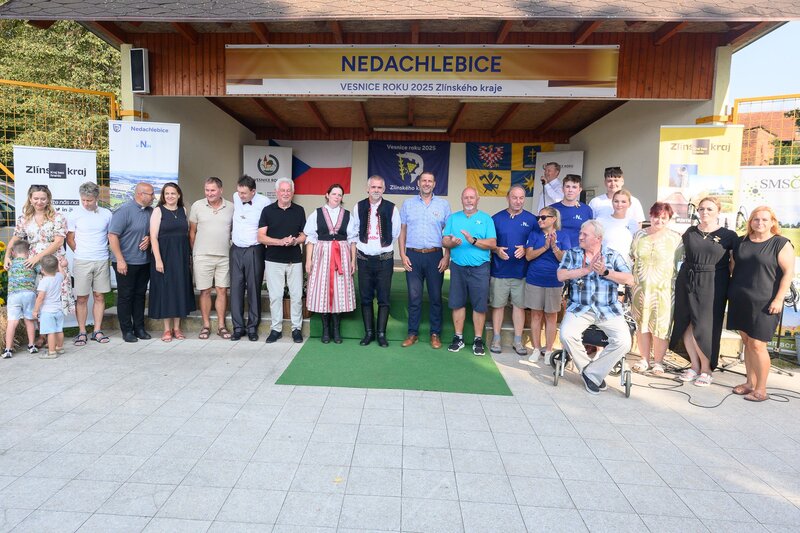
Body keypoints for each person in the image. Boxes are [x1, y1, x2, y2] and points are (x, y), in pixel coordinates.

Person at [557, 220, 633, 394]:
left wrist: (606, 272)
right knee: (566, 335)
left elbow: (630, 279)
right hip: (580, 307)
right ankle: (590, 372)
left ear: (598, 238)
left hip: (608, 309)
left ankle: (592, 373)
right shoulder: (572, 254)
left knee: (624, 342)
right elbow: (560, 275)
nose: (580, 237)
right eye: (580, 233)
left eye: (585, 234)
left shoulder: (612, 255)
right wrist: (586, 270)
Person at [727, 207, 795, 402]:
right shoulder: (741, 242)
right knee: (747, 342)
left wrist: (779, 299)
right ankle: (749, 383)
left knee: (758, 344)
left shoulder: (780, 243)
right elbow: (733, 267)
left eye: (765, 219)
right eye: (756, 219)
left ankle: (761, 389)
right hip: (740, 299)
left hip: (766, 302)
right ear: (750, 222)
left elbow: (788, 273)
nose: (760, 223)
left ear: (773, 222)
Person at [669, 196, 738, 385]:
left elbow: (734, 264)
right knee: (686, 323)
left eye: (709, 209)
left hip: (714, 283)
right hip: (687, 280)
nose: (704, 212)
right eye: (701, 209)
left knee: (705, 326)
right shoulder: (690, 232)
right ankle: (694, 366)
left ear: (718, 212)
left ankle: (706, 369)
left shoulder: (729, 235)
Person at [4, 184, 74, 332]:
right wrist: (7, 256)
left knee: (54, 296)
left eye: (43, 198)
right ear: (30, 199)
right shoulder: (24, 218)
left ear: (48, 199)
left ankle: (55, 333)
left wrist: (37, 258)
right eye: (36, 198)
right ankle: (42, 334)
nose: (39, 202)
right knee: (38, 296)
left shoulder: (58, 217)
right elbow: (15, 238)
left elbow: (58, 242)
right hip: (33, 265)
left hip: (53, 262)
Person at [398, 172, 451, 349]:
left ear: (434, 184)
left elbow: (448, 233)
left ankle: (435, 334)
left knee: (435, 297)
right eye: (423, 181)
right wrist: (403, 254)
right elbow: (402, 231)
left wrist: (446, 256)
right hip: (413, 255)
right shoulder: (408, 204)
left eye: (430, 181)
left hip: (435, 255)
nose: (427, 184)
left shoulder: (443, 205)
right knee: (414, 297)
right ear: (418, 183)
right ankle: (412, 333)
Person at [442, 187, 497, 356]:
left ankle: (478, 339)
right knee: (457, 303)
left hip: (480, 268)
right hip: (458, 267)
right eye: (466, 197)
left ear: (477, 200)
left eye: (472, 197)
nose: (469, 200)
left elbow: (492, 243)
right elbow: (444, 241)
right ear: (461, 199)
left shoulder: (486, 219)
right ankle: (458, 337)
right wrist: (452, 243)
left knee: (479, 305)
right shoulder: (453, 218)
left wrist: (472, 240)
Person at [630, 202, 683, 375]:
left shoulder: (676, 239)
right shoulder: (639, 235)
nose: (659, 220)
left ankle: (658, 362)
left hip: (664, 290)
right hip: (640, 288)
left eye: (663, 218)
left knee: (661, 326)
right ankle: (644, 359)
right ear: (650, 215)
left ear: (668, 219)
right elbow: (632, 257)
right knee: (642, 324)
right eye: (656, 216)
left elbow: (680, 263)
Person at [304, 183, 357, 344]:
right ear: (327, 195)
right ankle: (326, 330)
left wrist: (353, 260)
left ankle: (336, 330)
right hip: (322, 255)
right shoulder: (317, 213)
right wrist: (308, 260)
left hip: (341, 255)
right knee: (323, 289)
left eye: (340, 195)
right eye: (334, 194)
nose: (337, 197)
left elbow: (352, 240)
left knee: (339, 290)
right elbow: (311, 239)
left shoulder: (347, 215)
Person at [351, 175, 401, 347]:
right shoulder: (358, 206)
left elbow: (395, 233)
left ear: (384, 189)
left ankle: (381, 334)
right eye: (373, 187)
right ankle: (369, 333)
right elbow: (354, 231)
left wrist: (380, 245)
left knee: (383, 298)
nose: (376, 190)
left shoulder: (392, 208)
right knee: (365, 297)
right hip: (364, 259)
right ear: (368, 189)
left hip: (384, 260)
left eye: (379, 187)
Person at [258, 178, 307, 343]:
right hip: (273, 260)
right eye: (283, 190)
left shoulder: (299, 210)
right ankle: (276, 329)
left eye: (288, 190)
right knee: (275, 296)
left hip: (294, 260)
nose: (286, 193)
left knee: (296, 296)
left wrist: (295, 241)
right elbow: (261, 237)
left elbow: (304, 235)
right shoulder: (267, 211)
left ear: (293, 192)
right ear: (277, 192)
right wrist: (280, 242)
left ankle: (296, 329)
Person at [489, 185, 536, 355]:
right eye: (514, 197)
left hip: (521, 272)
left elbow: (536, 242)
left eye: (521, 198)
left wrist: (525, 248)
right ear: (507, 198)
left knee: (519, 306)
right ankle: (496, 338)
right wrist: (496, 250)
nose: (518, 201)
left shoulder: (532, 220)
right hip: (499, 271)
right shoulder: (496, 219)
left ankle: (517, 340)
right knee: (498, 306)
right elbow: (489, 243)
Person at [66, 181, 113, 346]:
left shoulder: (107, 214)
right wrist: (80, 251)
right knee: (81, 298)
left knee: (99, 296)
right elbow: (70, 238)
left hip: (102, 259)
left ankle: (97, 330)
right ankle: (82, 332)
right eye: (83, 200)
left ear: (96, 198)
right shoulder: (74, 214)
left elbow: (110, 235)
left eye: (89, 200)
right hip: (82, 260)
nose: (86, 203)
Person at [149, 182, 196, 342]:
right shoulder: (158, 211)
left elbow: (186, 234)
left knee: (179, 290)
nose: (170, 196)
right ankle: (166, 329)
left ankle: (177, 328)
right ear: (163, 196)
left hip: (181, 256)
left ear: (179, 195)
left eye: (173, 193)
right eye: (167, 193)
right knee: (166, 291)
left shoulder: (183, 210)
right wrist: (158, 260)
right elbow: (153, 237)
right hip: (164, 256)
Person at [188, 177, 234, 339]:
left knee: (222, 290)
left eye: (213, 190)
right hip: (202, 256)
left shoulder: (231, 207)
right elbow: (192, 232)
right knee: (205, 291)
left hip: (224, 256)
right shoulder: (197, 206)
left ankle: (221, 326)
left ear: (221, 190)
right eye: (207, 190)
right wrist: (195, 252)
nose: (209, 193)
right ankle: (206, 325)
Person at [109, 182, 154, 343]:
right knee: (126, 296)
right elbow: (112, 235)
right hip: (125, 262)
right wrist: (120, 260)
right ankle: (127, 330)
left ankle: (139, 328)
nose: (153, 196)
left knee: (140, 295)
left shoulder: (151, 211)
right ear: (140, 194)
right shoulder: (124, 211)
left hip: (144, 262)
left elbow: (154, 231)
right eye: (150, 194)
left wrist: (149, 237)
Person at [525, 207, 570, 364]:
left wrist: (554, 247)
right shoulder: (534, 234)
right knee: (536, 315)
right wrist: (545, 246)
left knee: (551, 316)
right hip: (535, 279)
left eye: (543, 217)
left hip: (554, 281)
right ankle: (536, 349)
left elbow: (564, 259)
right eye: (538, 217)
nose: (540, 220)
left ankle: (549, 350)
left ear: (554, 219)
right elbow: (528, 256)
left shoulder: (563, 236)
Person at [230, 175, 270, 341]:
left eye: (244, 193)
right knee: (236, 289)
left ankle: (252, 327)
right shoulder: (235, 197)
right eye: (239, 192)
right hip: (236, 249)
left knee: (254, 288)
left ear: (253, 191)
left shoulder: (264, 202)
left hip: (254, 249)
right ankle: (238, 327)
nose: (241, 196)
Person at [3, 241, 39, 358]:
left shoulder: (10, 263)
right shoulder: (32, 262)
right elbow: (43, 271)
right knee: (29, 320)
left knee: (12, 322)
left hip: (14, 295)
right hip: (29, 294)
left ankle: (8, 349)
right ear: (28, 252)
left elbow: (6, 267)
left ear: (13, 253)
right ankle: (31, 345)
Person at [32, 254, 64, 359]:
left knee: (50, 332)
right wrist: (59, 265)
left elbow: (40, 298)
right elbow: (63, 274)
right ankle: (60, 347)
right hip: (58, 309)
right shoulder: (59, 277)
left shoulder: (43, 282)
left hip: (47, 311)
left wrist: (35, 310)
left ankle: (51, 352)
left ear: (42, 269)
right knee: (59, 330)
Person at [596, 189, 639, 264]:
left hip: (625, 265)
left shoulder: (633, 223)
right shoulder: (600, 221)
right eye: (616, 201)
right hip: (605, 265)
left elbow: (635, 247)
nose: (619, 205)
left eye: (623, 202)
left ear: (629, 204)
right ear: (612, 202)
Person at [550, 174, 594, 249]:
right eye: (567, 186)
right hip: (555, 251)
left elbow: (590, 234)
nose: (570, 190)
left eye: (574, 187)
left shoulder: (586, 210)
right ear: (562, 189)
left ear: (580, 190)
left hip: (578, 252)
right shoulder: (552, 209)